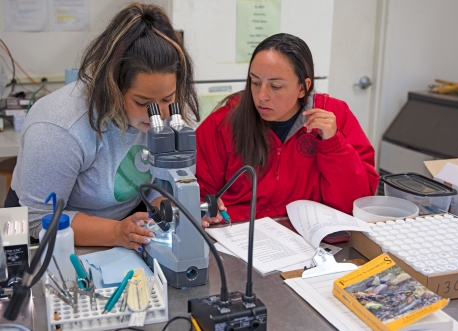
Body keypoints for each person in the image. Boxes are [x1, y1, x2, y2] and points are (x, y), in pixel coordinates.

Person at [5, 3, 201, 252]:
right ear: (112, 87)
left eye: (167, 99)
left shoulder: (170, 116)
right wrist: (116, 232)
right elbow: (35, 219)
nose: (159, 116)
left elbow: (160, 187)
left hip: (120, 231)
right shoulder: (59, 128)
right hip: (42, 238)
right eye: (143, 103)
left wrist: (173, 211)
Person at [196, 33, 379, 228]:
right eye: (255, 82)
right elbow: (193, 190)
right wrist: (201, 210)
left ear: (303, 88)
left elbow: (356, 204)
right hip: (237, 234)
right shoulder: (226, 122)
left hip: (306, 239)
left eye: (275, 86)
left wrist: (333, 145)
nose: (262, 96)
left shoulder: (336, 116)